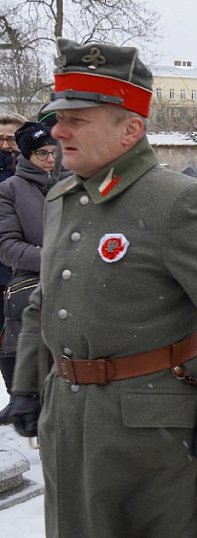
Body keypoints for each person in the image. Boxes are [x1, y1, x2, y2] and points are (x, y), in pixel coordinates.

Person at [3, 38, 197, 537]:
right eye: (58, 116)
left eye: (77, 120)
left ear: (130, 128)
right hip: (69, 418)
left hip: (156, 431)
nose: (57, 131)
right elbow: (45, 301)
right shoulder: (65, 195)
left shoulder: (177, 203)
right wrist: (27, 386)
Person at [0, 122, 69, 425]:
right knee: (32, 362)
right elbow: (7, 246)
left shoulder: (74, 184)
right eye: (42, 154)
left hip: (76, 288)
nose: (50, 160)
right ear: (27, 155)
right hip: (32, 286)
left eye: (54, 152)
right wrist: (56, 260)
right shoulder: (10, 189)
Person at [0, 113, 25, 401]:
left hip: (25, 271)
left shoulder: (38, 172)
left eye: (12, 138)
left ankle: (25, 397)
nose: (6, 145)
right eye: (1, 138)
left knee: (23, 341)